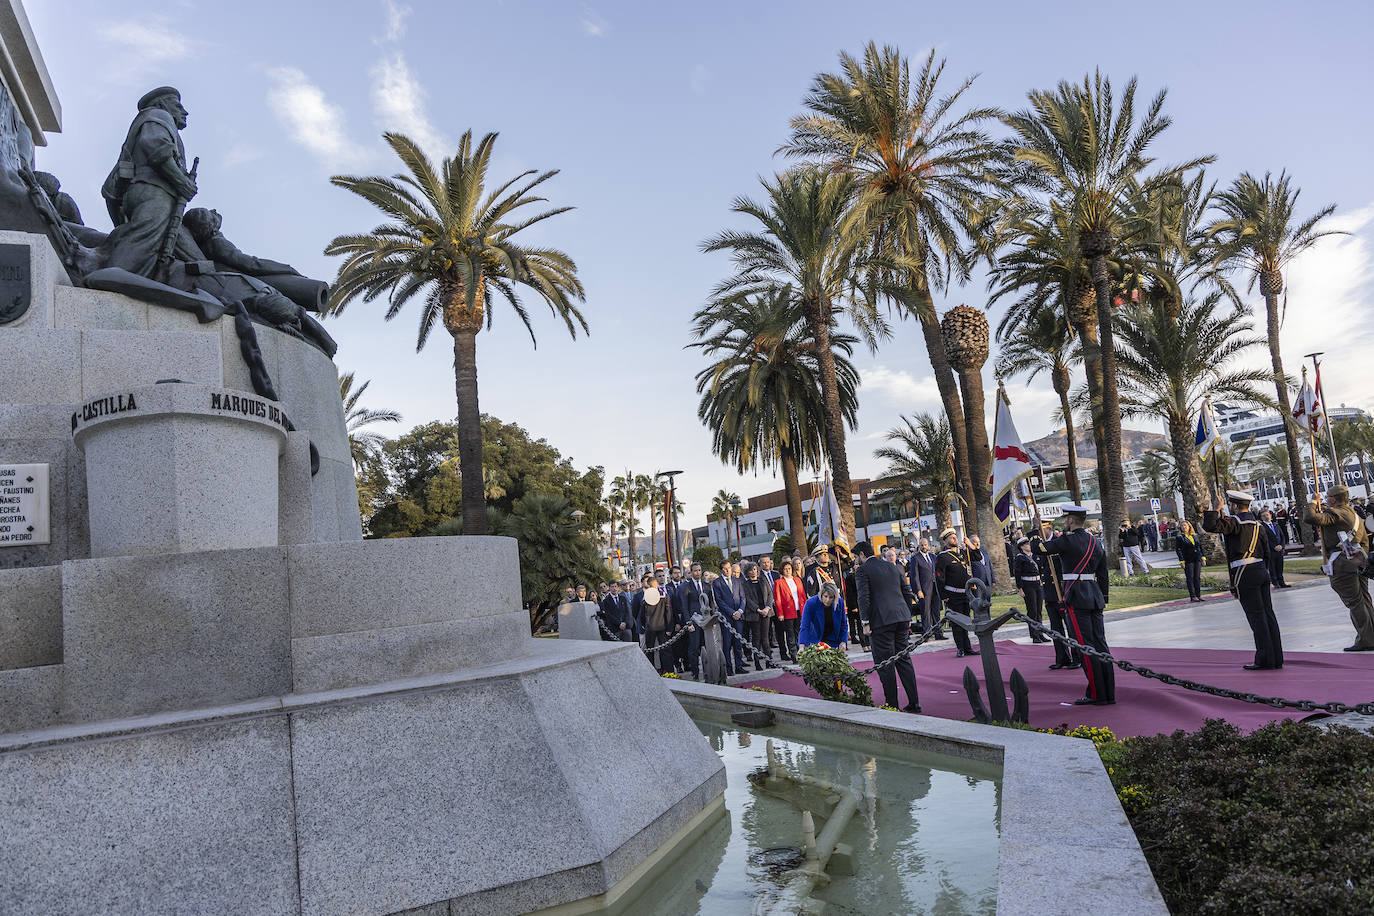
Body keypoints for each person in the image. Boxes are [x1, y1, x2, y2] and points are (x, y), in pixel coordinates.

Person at [1041, 505, 1114, 704]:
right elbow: (1103, 573)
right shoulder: (1095, 542)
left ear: (1071, 521)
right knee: (1100, 644)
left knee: (1085, 646)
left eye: (1066, 519)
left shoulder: (1066, 540)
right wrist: (1104, 596)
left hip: (1076, 596)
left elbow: (1041, 550)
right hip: (1095, 596)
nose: (1065, 523)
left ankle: (1097, 694)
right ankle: (1109, 692)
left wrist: (1034, 530)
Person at [1204, 491, 1283, 670]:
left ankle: (1264, 659)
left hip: (1244, 572)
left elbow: (1210, 526)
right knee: (1268, 614)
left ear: (1234, 505)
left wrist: (1216, 508)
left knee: (1256, 617)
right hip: (1261, 569)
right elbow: (1266, 552)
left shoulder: (1235, 523)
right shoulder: (1258, 525)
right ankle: (1276, 657)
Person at [1304, 485, 1374, 652]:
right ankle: (1371, 636)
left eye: (1327, 497)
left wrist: (1314, 502)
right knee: (1364, 600)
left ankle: (1366, 640)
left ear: (1333, 499)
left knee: (1355, 602)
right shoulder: (1354, 514)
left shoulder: (1335, 514)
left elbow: (1310, 517)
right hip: (1358, 561)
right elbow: (1364, 540)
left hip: (1343, 564)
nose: (1325, 500)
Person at [854, 541, 922, 712]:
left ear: (862, 554)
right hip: (901, 618)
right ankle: (915, 702)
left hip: (881, 622)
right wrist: (905, 614)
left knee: (885, 664)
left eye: (856, 556)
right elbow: (906, 592)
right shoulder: (892, 566)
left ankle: (892, 705)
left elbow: (864, 597)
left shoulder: (863, 570)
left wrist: (865, 622)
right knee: (904, 660)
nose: (856, 560)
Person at [1032, 521, 1079, 670]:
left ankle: (1077, 657)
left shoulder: (1059, 543)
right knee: (1055, 628)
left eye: (1040, 529)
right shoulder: (1042, 547)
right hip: (1050, 594)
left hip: (1062, 592)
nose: (1039, 533)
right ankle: (1062, 657)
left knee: (1070, 628)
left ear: (1049, 529)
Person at [934, 528, 977, 657]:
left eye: (955, 536)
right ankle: (960, 648)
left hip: (966, 594)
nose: (955, 538)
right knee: (957, 623)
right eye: (951, 537)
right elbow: (939, 577)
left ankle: (968, 647)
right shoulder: (942, 557)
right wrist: (944, 596)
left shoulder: (963, 553)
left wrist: (970, 545)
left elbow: (978, 557)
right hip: (952, 595)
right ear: (945, 541)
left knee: (966, 621)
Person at [634, 574, 676, 674]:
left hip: (650, 627)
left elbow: (642, 615)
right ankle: (669, 672)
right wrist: (669, 628)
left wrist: (645, 625)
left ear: (649, 585)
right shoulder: (664, 595)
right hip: (662, 627)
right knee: (665, 650)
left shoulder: (645, 598)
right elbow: (668, 613)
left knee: (650, 651)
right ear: (656, 584)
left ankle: (651, 672)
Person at [711, 561, 746, 674]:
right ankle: (729, 668)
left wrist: (740, 611)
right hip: (727, 617)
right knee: (727, 643)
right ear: (721, 569)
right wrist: (732, 613)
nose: (728, 570)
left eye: (729, 568)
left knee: (738, 642)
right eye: (725, 569)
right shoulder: (717, 583)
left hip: (739, 616)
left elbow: (743, 597)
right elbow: (719, 601)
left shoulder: (737, 580)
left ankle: (739, 666)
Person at [1013, 537, 1050, 643]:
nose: (1029, 546)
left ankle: (1040, 633)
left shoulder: (1035, 555)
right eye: (1026, 544)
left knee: (1039, 610)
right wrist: (1020, 588)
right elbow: (1017, 574)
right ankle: (1034, 635)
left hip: (1037, 584)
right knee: (1032, 610)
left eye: (1029, 544)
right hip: (1027, 585)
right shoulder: (1020, 558)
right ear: (1022, 546)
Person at [680, 562, 713, 678]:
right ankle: (695, 673)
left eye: (699, 570)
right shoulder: (685, 587)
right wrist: (688, 622)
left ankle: (708, 671)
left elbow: (711, 604)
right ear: (691, 572)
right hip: (694, 622)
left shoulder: (706, 585)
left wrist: (712, 620)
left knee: (707, 646)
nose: (698, 573)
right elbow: (684, 606)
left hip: (706, 621)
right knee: (694, 648)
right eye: (695, 571)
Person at [908, 537, 944, 639]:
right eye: (922, 545)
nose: (924, 547)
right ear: (919, 546)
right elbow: (914, 576)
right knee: (926, 612)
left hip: (935, 588)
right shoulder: (915, 558)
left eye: (925, 544)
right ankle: (926, 634)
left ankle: (938, 634)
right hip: (924, 589)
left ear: (928, 545)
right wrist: (918, 590)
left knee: (936, 612)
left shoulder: (933, 557)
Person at [797, 581, 849, 649]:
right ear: (821, 594)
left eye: (831, 597)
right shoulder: (811, 603)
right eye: (825, 596)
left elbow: (843, 624)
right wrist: (802, 645)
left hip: (833, 640)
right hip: (815, 641)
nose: (828, 600)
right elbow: (805, 626)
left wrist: (843, 641)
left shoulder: (840, 602)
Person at [772, 559, 804, 662]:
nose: (788, 571)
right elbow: (778, 600)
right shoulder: (778, 582)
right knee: (790, 635)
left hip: (800, 609)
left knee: (799, 633)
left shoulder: (797, 580)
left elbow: (803, 595)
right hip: (788, 612)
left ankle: (801, 653)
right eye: (785, 569)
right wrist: (780, 613)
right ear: (782, 570)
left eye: (789, 569)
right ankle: (794, 655)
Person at [741, 563, 772, 671]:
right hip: (754, 614)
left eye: (755, 569)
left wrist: (767, 608)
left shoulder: (763, 580)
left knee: (765, 638)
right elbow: (747, 599)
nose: (753, 571)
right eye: (751, 570)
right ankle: (757, 663)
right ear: (747, 572)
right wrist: (758, 610)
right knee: (756, 639)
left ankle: (769, 661)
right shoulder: (745, 584)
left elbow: (769, 594)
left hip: (766, 612)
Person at [1174, 520, 1205, 602]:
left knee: (1197, 577)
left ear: (1189, 527)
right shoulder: (1180, 537)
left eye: (1185, 525)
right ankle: (1193, 596)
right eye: (1182, 526)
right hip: (1188, 560)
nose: (1184, 527)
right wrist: (1182, 561)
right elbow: (1178, 550)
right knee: (1190, 578)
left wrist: (1203, 558)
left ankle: (1198, 595)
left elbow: (1199, 547)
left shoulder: (1195, 535)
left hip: (1197, 558)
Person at [1259, 509, 1290, 588]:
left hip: (1279, 550)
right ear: (1261, 518)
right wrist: (1273, 546)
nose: (1266, 517)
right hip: (1270, 550)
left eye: (1267, 515)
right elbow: (1265, 539)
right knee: (1272, 567)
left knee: (1280, 567)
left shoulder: (1276, 525)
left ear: (1270, 515)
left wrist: (1282, 546)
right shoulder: (1262, 527)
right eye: (1264, 516)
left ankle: (1281, 581)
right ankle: (1275, 582)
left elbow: (1282, 536)